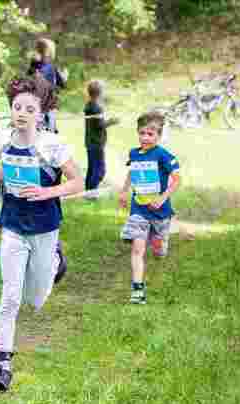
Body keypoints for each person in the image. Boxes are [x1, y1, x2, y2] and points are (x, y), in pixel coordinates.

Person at [0, 77, 84, 392]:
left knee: (36, 299)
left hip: (44, 227)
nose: (21, 113)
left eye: (29, 109)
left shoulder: (51, 144)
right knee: (10, 296)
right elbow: (4, 168)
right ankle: (2, 363)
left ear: (40, 114)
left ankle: (55, 261)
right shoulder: (5, 139)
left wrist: (47, 191)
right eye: (17, 107)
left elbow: (77, 182)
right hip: (13, 225)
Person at [118, 111, 181, 305]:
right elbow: (132, 172)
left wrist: (162, 198)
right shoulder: (134, 153)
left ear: (159, 136)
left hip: (160, 211)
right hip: (139, 209)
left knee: (159, 250)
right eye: (142, 133)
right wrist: (124, 191)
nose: (145, 138)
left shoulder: (163, 155)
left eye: (150, 134)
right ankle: (138, 290)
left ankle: (158, 241)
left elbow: (177, 180)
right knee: (137, 248)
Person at [84, 80, 119, 196]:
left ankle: (88, 192)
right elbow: (99, 125)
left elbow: (96, 123)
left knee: (92, 168)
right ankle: (92, 192)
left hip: (90, 142)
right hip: (96, 142)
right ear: (100, 93)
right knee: (100, 170)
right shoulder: (96, 108)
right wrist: (112, 121)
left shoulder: (89, 105)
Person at [27, 37, 67, 133]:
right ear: (48, 53)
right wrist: (64, 77)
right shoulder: (51, 68)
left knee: (36, 131)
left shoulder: (32, 68)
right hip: (48, 106)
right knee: (49, 132)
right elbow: (62, 85)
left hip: (35, 105)